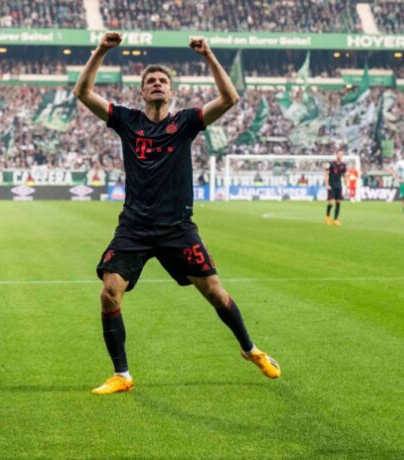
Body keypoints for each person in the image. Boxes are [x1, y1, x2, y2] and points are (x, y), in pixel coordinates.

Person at [74, 32, 280, 395]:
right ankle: (122, 375)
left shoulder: (185, 122)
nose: (156, 84)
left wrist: (209, 55)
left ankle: (251, 350)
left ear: (171, 92)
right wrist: (101, 50)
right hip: (134, 227)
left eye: (162, 81)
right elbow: (83, 92)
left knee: (214, 291)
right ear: (141, 92)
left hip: (177, 227)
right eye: (150, 81)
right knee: (109, 293)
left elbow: (230, 98)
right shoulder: (127, 121)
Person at [324, 148, 347, 226]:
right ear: (336, 154)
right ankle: (327, 216)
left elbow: (344, 175)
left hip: (338, 185)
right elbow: (326, 174)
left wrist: (346, 183)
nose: (340, 155)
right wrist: (327, 184)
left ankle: (335, 220)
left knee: (338, 202)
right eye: (339, 154)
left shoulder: (343, 165)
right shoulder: (330, 164)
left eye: (342, 154)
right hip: (331, 185)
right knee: (331, 202)